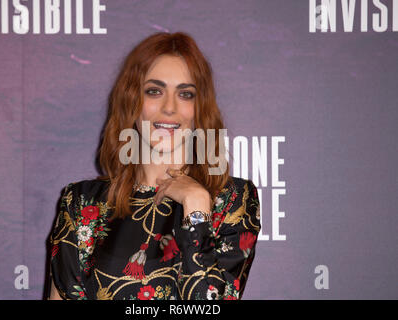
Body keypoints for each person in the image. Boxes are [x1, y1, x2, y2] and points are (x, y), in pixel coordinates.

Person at [48, 32, 261, 300]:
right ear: (132, 101)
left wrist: (196, 206)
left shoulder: (231, 200)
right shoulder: (82, 202)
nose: (169, 107)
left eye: (185, 94)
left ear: (200, 107)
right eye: (154, 91)